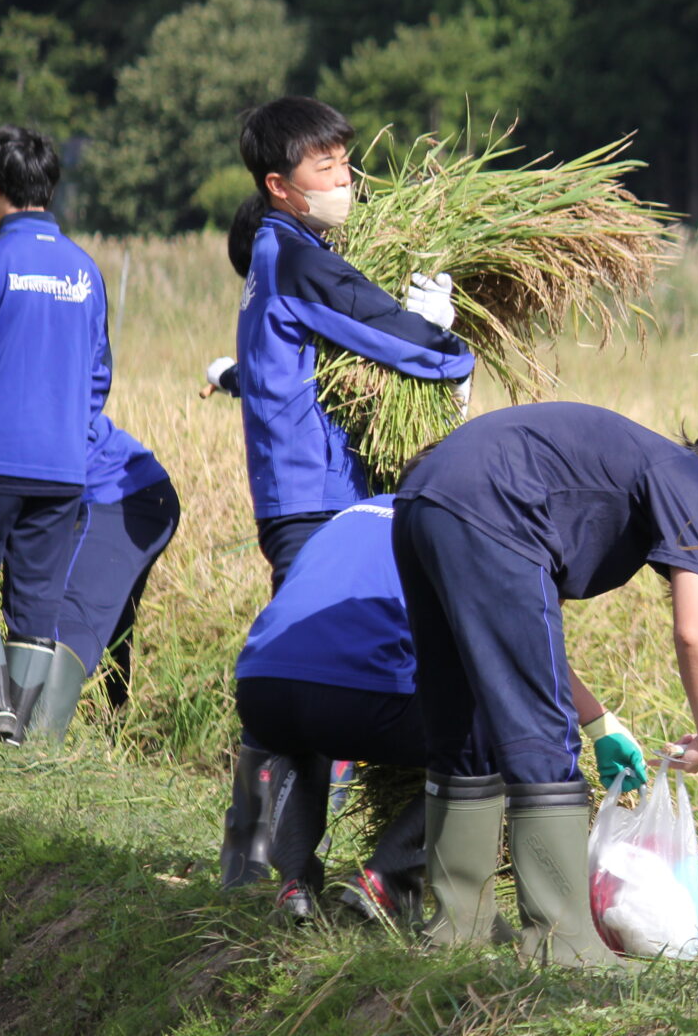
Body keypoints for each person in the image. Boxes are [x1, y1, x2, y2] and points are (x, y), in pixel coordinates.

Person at [392, 401, 698, 967]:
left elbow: (525, 640)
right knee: (542, 739)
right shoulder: (693, 488)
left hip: (423, 501)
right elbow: (694, 633)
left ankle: (459, 925)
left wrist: (598, 720)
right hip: (489, 506)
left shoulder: (631, 469)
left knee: (463, 718)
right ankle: (564, 941)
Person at [210, 96, 476, 889]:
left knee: (306, 673)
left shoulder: (272, 256)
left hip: (300, 500)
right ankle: (270, 875)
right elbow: (382, 328)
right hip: (314, 504)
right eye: (324, 168)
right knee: (314, 677)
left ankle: (272, 874)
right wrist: (444, 338)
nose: (344, 180)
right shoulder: (294, 258)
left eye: (345, 163)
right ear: (279, 186)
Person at [234, 487, 653, 925]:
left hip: (261, 687)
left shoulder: (347, 515)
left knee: (298, 733)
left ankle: (295, 885)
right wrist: (598, 724)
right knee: (506, 730)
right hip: (363, 698)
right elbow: (515, 643)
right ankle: (388, 879)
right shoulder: (455, 526)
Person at [0, 124, 110, 746]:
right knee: (34, 605)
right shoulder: (85, 273)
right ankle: (22, 735)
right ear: (51, 187)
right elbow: (98, 375)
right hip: (62, 469)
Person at [12, 412, 180, 740]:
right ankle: (110, 741)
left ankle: (33, 753)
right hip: (87, 492)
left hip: (117, 496)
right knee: (112, 633)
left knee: (66, 618)